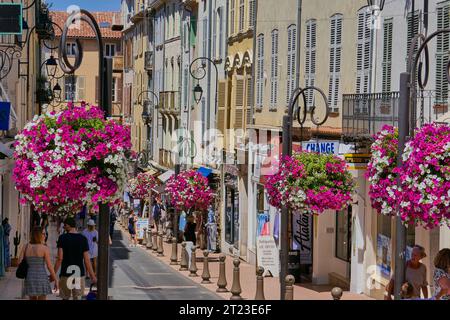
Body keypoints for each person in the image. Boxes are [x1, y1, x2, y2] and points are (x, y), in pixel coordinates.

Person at [54, 217, 97, 300]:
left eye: (65, 225)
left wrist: (53, 273)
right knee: (77, 297)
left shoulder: (62, 238)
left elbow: (60, 258)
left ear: (69, 226)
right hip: (78, 273)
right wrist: (92, 276)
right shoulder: (83, 239)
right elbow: (87, 260)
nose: (64, 227)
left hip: (66, 273)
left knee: (65, 297)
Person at [18, 226, 58, 300]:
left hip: (29, 277)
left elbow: (19, 262)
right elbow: (49, 266)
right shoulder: (44, 248)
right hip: (42, 278)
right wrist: (55, 279)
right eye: (43, 234)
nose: (45, 235)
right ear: (38, 235)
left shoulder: (25, 246)